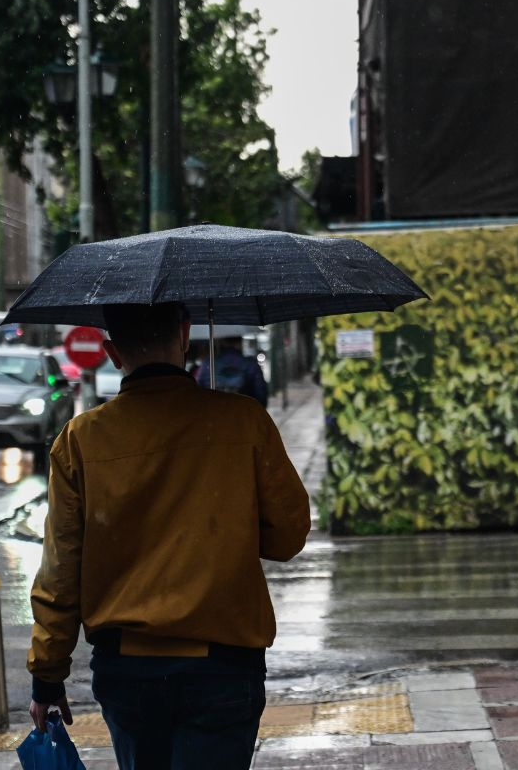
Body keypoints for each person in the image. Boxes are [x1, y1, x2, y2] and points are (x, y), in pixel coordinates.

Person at [27, 302, 310, 770]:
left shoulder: (81, 440)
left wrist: (47, 677)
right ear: (184, 336)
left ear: (112, 352)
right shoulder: (243, 421)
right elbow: (288, 538)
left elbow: (60, 573)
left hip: (128, 671)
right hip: (224, 666)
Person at [196, 336, 268, 406]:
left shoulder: (208, 364)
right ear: (240, 342)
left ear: (222, 342)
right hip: (244, 414)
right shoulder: (251, 365)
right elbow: (261, 396)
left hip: (213, 413)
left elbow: (198, 393)